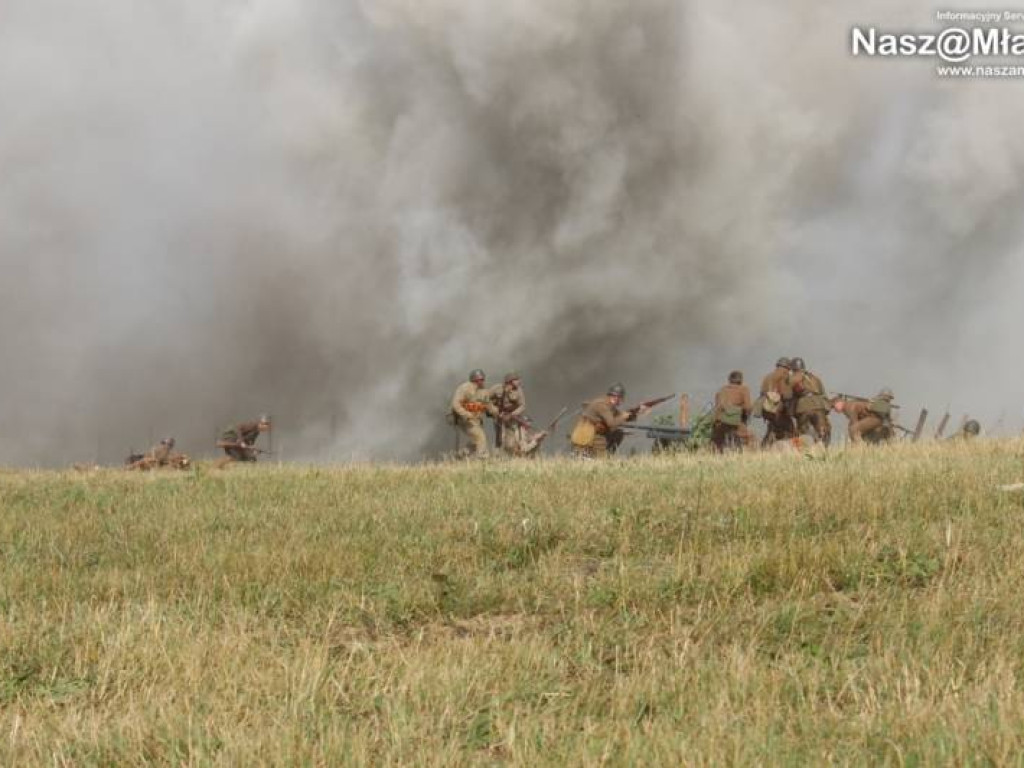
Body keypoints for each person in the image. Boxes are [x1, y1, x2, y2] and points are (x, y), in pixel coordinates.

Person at [570, 383, 650, 458]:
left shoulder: (610, 406)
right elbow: (612, 423)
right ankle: (601, 457)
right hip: (591, 435)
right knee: (601, 460)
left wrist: (638, 412)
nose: (616, 399)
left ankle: (608, 455)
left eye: (619, 397)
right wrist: (624, 416)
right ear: (609, 395)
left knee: (618, 434)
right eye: (614, 396)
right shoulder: (602, 405)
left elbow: (621, 416)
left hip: (599, 433)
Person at [450, 370, 497, 458]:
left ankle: (463, 453)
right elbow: (455, 404)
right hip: (464, 419)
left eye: (483, 379)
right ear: (475, 380)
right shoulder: (465, 388)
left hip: (476, 420)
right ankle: (481, 457)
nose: (482, 381)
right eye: (480, 379)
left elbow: (488, 405)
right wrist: (467, 414)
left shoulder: (483, 391)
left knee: (475, 440)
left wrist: (497, 413)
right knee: (480, 437)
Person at [789, 358, 832, 444]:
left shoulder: (792, 378)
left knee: (803, 432)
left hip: (803, 407)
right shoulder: (814, 377)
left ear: (793, 368)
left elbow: (789, 396)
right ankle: (824, 448)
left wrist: (791, 412)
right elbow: (823, 394)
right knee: (823, 431)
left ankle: (805, 449)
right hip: (818, 405)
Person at [712, 371, 754, 451]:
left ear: (729, 380)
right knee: (749, 438)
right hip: (735, 421)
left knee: (718, 442)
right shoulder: (744, 389)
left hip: (720, 421)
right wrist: (746, 413)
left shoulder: (722, 389)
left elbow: (717, 406)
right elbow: (748, 407)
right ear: (741, 380)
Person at [758, 357, 795, 445]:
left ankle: (764, 446)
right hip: (777, 408)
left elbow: (762, 392)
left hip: (766, 408)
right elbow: (786, 394)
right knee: (790, 428)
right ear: (787, 367)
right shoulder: (784, 376)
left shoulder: (767, 376)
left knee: (772, 426)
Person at [489, 372, 527, 455]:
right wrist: (494, 411)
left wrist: (512, 414)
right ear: (510, 381)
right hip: (498, 416)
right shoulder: (497, 388)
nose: (519, 381)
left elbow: (522, 406)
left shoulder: (519, 391)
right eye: (516, 380)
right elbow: (486, 399)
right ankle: (497, 456)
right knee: (499, 439)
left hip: (511, 417)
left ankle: (509, 455)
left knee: (510, 442)